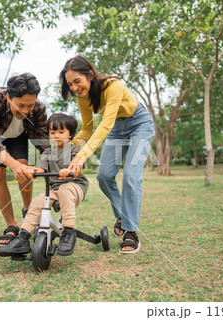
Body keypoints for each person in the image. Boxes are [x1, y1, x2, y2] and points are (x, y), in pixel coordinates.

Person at [59, 56, 155, 254]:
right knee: (103, 176)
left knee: (131, 175)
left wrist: (82, 157)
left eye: (77, 81)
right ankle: (123, 215)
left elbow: (105, 124)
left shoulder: (113, 85)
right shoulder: (82, 98)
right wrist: (67, 148)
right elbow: (86, 129)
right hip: (116, 130)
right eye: (70, 84)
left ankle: (131, 232)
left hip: (139, 123)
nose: (75, 88)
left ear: (90, 74)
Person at [0, 73, 50, 246]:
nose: (25, 111)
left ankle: (28, 211)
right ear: (9, 97)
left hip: (17, 135)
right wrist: (13, 166)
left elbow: (43, 142)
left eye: (30, 105)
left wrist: (60, 163)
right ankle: (11, 225)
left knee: (24, 166)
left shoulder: (38, 108)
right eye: (20, 105)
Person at [0, 113, 89, 257]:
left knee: (65, 189)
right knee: (38, 201)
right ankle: (23, 238)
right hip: (55, 189)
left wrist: (69, 170)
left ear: (70, 134)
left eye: (61, 132)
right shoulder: (47, 152)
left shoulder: (74, 150)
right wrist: (33, 171)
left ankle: (69, 231)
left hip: (75, 186)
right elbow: (41, 168)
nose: (56, 135)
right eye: (52, 132)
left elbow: (77, 168)